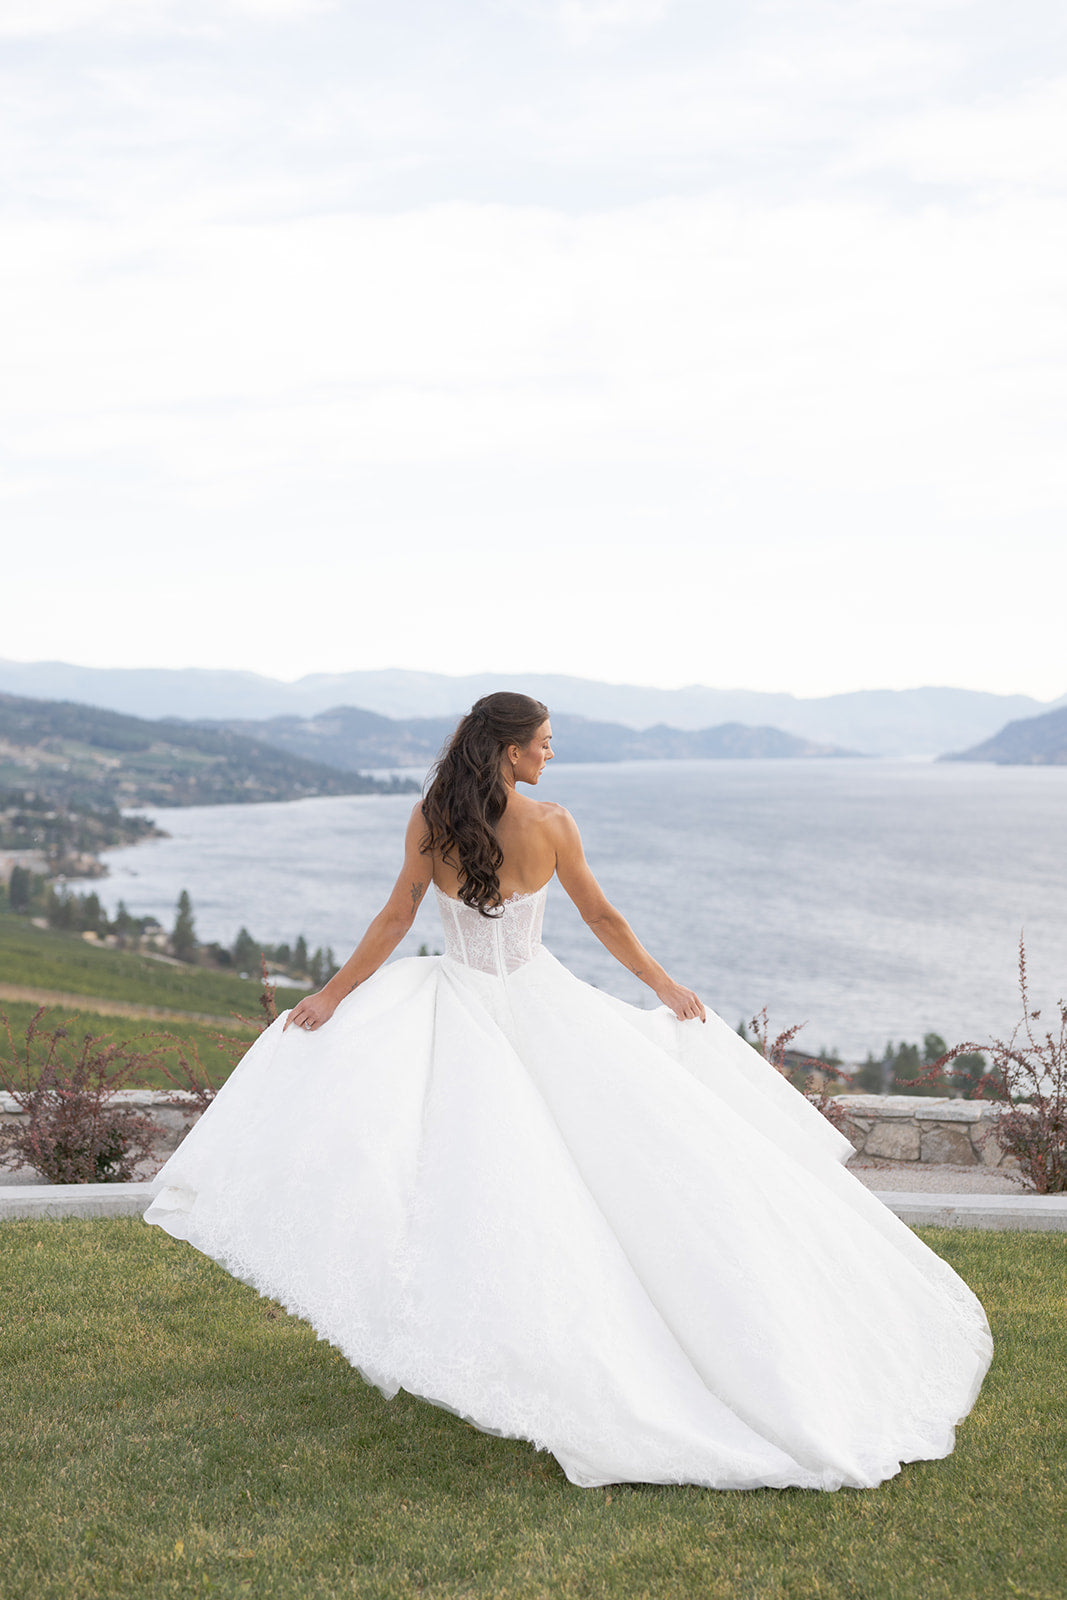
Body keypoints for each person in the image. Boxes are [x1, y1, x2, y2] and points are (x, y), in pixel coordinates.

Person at [145, 692, 991, 1492]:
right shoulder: (551, 825)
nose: (552, 753)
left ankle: (504, 1339)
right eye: (545, 742)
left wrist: (331, 996)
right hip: (539, 1006)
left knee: (474, 1181)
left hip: (458, 1007)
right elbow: (602, 918)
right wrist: (665, 987)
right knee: (584, 1181)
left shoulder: (433, 820)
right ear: (511, 751)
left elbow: (396, 919)